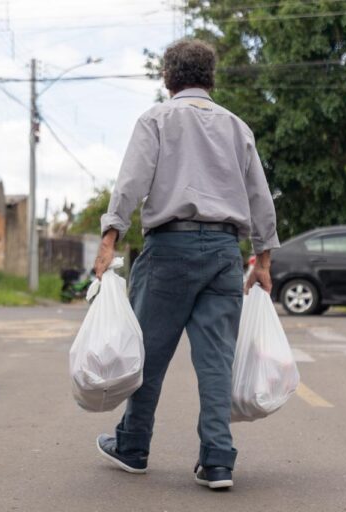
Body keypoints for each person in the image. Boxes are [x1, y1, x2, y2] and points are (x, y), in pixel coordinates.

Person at [93, 39, 279, 490]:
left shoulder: (157, 118)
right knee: (216, 360)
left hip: (169, 250)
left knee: (149, 354)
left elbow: (131, 182)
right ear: (210, 77)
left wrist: (109, 239)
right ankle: (217, 461)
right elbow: (260, 198)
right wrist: (264, 260)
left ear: (167, 77)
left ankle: (133, 446)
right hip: (223, 254)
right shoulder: (238, 127)